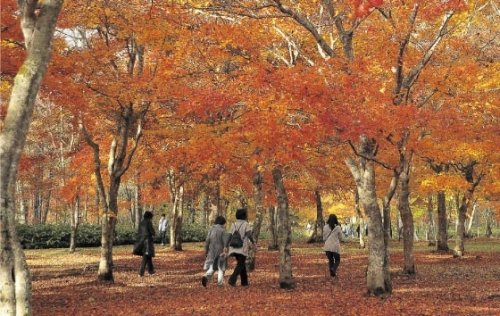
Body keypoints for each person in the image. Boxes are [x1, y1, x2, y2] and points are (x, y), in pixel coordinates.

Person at [227, 208, 255, 287]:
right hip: (242, 248)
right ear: (244, 215)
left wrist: (226, 245)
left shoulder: (233, 224)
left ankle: (244, 283)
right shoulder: (246, 224)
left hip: (233, 248)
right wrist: (253, 242)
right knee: (241, 264)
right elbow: (249, 234)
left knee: (241, 264)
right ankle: (232, 278)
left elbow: (229, 235)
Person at [202, 215, 228, 287]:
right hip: (220, 252)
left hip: (211, 251)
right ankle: (220, 284)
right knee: (221, 268)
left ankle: (206, 277)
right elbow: (225, 242)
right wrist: (226, 250)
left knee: (213, 267)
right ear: (222, 222)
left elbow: (207, 241)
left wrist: (206, 251)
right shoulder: (222, 231)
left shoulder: (211, 229)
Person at [137, 211, 155, 277]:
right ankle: (140, 273)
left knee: (148, 256)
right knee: (145, 256)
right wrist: (153, 233)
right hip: (148, 242)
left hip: (142, 241)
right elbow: (152, 232)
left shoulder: (141, 222)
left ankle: (151, 271)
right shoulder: (148, 222)